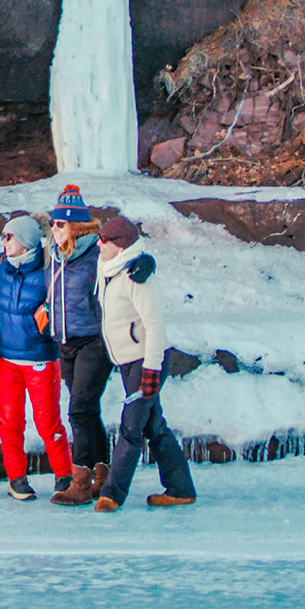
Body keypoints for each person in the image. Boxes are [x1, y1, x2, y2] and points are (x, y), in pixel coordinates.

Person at [93, 216, 196, 512]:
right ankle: (180, 488)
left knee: (131, 427)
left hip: (146, 361)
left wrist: (151, 369)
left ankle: (112, 495)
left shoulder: (137, 276)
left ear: (120, 245)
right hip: (127, 362)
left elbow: (154, 325)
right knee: (154, 426)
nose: (99, 243)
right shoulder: (109, 267)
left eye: (105, 240)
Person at [0, 216, 73, 501]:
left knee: (47, 421)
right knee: (10, 422)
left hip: (40, 358)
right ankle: (16, 478)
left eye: (9, 237)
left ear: (26, 241)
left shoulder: (50, 269)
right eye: (3, 237)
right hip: (6, 358)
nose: (4, 242)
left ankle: (64, 476)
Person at [43, 185, 114, 506]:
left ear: (75, 225)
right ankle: (103, 474)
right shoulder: (55, 256)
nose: (53, 229)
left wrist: (145, 266)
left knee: (79, 411)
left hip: (94, 341)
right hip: (65, 343)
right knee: (87, 410)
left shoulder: (97, 254)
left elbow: (128, 260)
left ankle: (81, 483)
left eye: (59, 224)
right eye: (52, 223)